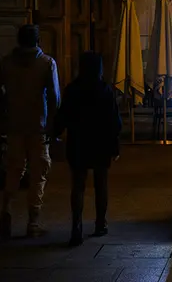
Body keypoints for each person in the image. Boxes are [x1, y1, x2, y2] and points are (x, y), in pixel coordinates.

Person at [0, 24, 60, 238]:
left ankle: (6, 212)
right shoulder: (47, 63)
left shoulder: (7, 63)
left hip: (14, 125)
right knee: (38, 173)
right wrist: (53, 126)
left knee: (13, 170)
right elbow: (55, 98)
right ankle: (33, 222)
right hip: (38, 126)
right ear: (38, 41)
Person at [53, 52, 122, 247]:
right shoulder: (105, 90)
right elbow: (114, 122)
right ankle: (100, 222)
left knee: (78, 185)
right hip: (100, 143)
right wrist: (115, 144)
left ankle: (76, 226)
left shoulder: (72, 89)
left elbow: (63, 115)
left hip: (78, 142)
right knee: (101, 184)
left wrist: (55, 132)